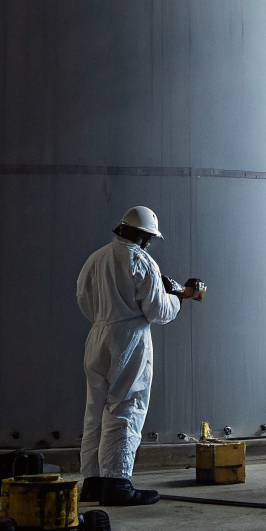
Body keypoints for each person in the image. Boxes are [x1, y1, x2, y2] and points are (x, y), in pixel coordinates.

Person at [77, 206, 199, 506]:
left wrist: (107, 318)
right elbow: (157, 311)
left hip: (97, 336)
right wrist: (178, 298)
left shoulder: (96, 257)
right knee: (126, 405)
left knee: (95, 410)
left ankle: (93, 482)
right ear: (144, 236)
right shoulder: (140, 260)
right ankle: (117, 482)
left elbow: (83, 298)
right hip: (128, 340)